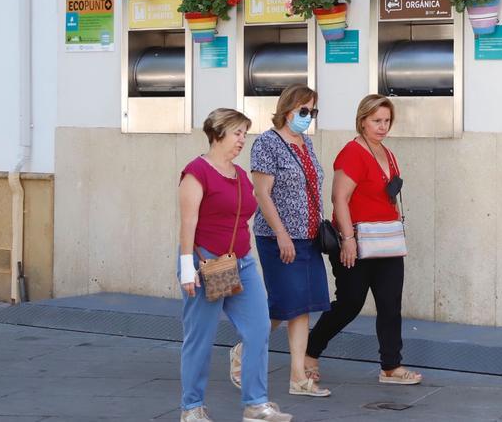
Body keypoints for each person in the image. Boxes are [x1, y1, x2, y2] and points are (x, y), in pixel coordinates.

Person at [177, 108, 292, 422]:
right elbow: (188, 222)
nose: (242, 139)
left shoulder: (240, 175)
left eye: (245, 133)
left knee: (257, 330)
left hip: (241, 264)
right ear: (217, 133)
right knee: (200, 338)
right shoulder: (196, 172)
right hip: (205, 265)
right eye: (237, 133)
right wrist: (187, 265)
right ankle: (192, 408)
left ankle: (256, 405)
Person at [305, 94, 423, 385]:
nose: (383, 127)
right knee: (350, 302)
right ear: (362, 121)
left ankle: (391, 367)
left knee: (389, 303)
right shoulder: (352, 153)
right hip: (356, 240)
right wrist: (347, 239)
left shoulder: (388, 153)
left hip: (386, 240)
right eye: (376, 121)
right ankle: (310, 351)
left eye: (386, 121)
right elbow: (339, 199)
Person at [228, 85, 331, 397]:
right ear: (287, 110)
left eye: (312, 111)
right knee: (284, 305)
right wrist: (282, 233)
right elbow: (262, 194)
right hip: (277, 238)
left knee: (303, 306)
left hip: (309, 236)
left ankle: (298, 377)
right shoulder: (267, 144)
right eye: (303, 111)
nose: (308, 117)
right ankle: (243, 351)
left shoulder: (306, 142)